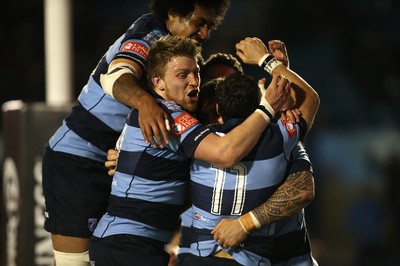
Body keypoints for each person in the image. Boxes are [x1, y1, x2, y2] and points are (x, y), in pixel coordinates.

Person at [41, 1, 231, 265]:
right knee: (75, 262)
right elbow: (115, 76)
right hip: (77, 160)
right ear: (173, 13)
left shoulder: (182, 56)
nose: (205, 34)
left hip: (117, 169)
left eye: (210, 26)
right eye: (199, 23)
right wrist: (145, 103)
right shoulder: (149, 33)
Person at [88, 34, 290, 265]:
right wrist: (267, 108)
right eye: (182, 75)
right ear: (157, 82)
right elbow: (226, 154)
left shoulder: (167, 113)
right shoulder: (167, 115)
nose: (194, 81)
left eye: (196, 73)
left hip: (131, 243)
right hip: (127, 244)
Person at [177, 48, 319, 264]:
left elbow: (302, 190)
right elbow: (309, 99)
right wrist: (270, 64)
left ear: (218, 106)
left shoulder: (192, 139)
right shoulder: (279, 137)